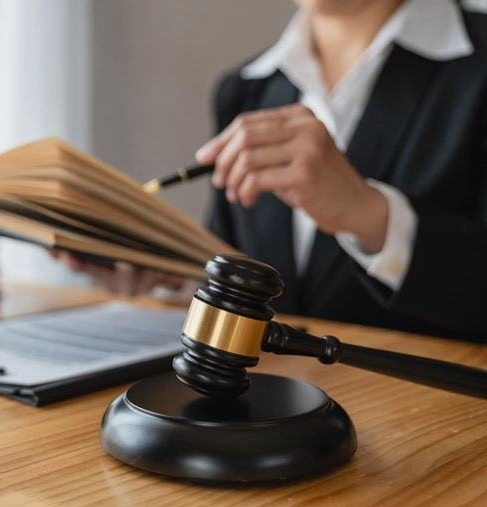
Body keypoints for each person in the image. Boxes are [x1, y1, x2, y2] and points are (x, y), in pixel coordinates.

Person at [56, 0, 487, 343]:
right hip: (272, 408)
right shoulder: (246, 90)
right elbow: (245, 273)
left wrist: (367, 213)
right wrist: (169, 278)